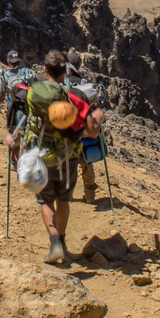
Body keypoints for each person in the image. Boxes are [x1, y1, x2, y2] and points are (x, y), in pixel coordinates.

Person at [7, 50, 105, 265]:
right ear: (66, 70)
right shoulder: (76, 96)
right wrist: (98, 116)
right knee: (63, 200)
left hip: (41, 156)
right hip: (68, 157)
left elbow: (21, 113)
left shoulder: (33, 92)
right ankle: (63, 242)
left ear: (45, 70)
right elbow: (93, 131)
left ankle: (54, 244)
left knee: (45, 201)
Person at [64, 52, 99, 204]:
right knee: (87, 162)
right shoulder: (88, 86)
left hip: (65, 132)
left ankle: (68, 194)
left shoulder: (58, 86)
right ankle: (90, 194)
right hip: (84, 131)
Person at [0, 50, 36, 133]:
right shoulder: (29, 72)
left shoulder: (5, 77)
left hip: (14, 107)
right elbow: (38, 88)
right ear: (19, 60)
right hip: (30, 106)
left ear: (8, 61)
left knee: (14, 134)